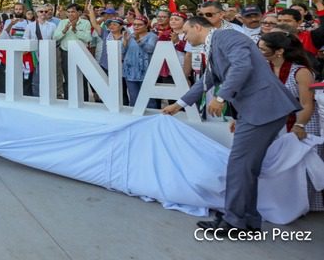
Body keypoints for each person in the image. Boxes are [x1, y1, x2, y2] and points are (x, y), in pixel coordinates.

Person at [162, 16, 300, 234]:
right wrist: (179, 105)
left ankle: (234, 222)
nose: (184, 37)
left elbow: (241, 66)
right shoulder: (214, 45)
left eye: (186, 32)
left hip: (262, 109)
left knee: (239, 167)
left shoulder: (227, 36)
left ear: (198, 27)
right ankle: (247, 221)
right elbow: (206, 81)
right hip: (258, 110)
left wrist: (221, 98)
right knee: (245, 169)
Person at [258, 31, 324, 211]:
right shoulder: (264, 67)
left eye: (263, 49)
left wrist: (299, 125)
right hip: (275, 120)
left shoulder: (301, 71)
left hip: (302, 120)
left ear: (278, 51)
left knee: (301, 164)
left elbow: (306, 103)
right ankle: (283, 201)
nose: (259, 51)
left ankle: (305, 205)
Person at [53, 3, 92, 100]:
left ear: (79, 12)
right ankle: (68, 101)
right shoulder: (62, 22)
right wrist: (64, 30)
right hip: (66, 53)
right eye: (68, 12)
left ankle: (84, 101)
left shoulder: (86, 23)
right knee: (68, 78)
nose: (70, 14)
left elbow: (88, 38)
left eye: (73, 12)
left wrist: (75, 30)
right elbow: (55, 37)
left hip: (81, 54)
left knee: (82, 79)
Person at [122, 16, 158, 108]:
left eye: (139, 25)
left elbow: (150, 49)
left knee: (148, 100)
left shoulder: (152, 36)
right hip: (130, 72)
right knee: (133, 99)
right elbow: (122, 53)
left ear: (146, 26)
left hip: (146, 72)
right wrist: (125, 42)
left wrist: (138, 40)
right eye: (134, 24)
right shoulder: (130, 36)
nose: (136, 27)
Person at [23, 5, 57, 96]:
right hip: (35, 55)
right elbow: (25, 38)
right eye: (41, 11)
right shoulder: (30, 26)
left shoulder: (52, 26)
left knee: (48, 77)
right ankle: (36, 97)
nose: (43, 13)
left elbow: (55, 39)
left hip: (48, 54)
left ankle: (48, 95)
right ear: (36, 13)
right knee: (36, 78)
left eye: (45, 11)